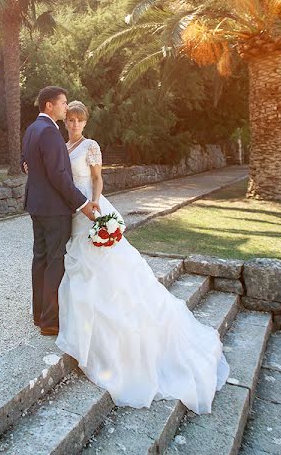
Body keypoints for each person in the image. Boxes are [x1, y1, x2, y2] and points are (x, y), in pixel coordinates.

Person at [55, 100, 229, 412]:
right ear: (65, 121)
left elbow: (97, 178)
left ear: (85, 122)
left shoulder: (90, 145)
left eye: (79, 121)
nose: (75, 125)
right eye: (70, 120)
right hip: (72, 210)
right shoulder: (63, 146)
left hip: (91, 209)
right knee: (78, 263)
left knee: (107, 266)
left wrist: (95, 205)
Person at [21, 86, 99, 336]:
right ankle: (50, 321)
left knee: (40, 258)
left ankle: (38, 314)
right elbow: (58, 175)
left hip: (36, 206)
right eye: (63, 103)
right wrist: (83, 203)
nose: (66, 107)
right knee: (55, 261)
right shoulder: (51, 133)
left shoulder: (32, 129)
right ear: (49, 106)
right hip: (54, 209)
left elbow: (28, 163)